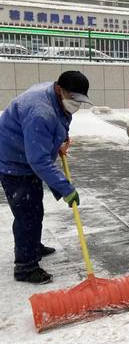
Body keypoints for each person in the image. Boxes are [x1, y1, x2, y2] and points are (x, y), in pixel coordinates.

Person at [0, 71, 91, 284]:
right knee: (26, 213)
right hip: (14, 163)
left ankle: (33, 245)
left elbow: (58, 122)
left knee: (34, 207)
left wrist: (57, 140)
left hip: (24, 155)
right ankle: (25, 267)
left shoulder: (53, 97)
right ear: (60, 90)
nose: (76, 104)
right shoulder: (40, 112)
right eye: (74, 99)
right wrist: (66, 189)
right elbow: (39, 160)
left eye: (80, 100)